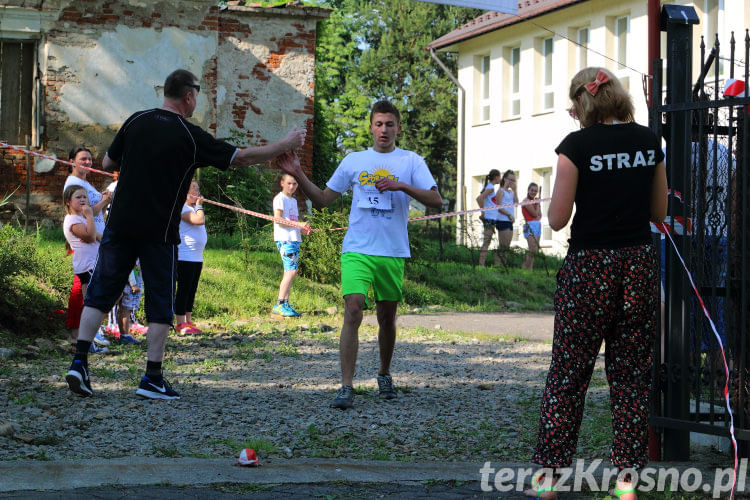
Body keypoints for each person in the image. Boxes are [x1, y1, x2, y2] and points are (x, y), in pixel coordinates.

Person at [65, 68, 306, 400]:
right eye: (198, 94)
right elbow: (242, 157)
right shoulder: (189, 136)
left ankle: (79, 362)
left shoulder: (136, 121)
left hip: (120, 222)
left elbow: (107, 162)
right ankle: (151, 378)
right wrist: (285, 144)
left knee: (101, 292)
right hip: (159, 229)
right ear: (189, 95)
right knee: (161, 300)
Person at [524, 68, 667, 500]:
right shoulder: (649, 142)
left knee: (569, 371)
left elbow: (556, 218)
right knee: (630, 374)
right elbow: (659, 211)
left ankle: (549, 477)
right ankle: (627, 479)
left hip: (589, 267)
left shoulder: (575, 146)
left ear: (582, 103)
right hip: (638, 265)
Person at [277, 100, 442, 409]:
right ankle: (346, 386)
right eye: (378, 124)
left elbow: (436, 200)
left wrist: (400, 186)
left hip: (391, 251)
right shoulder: (354, 160)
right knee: (353, 309)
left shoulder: (411, 161)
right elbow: (324, 199)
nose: (384, 130)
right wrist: (298, 173)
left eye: (389, 124)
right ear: (370, 127)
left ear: (398, 128)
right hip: (357, 248)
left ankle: (383, 373)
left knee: (386, 317)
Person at [63, 147, 112, 348]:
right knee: (87, 295)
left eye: (90, 159)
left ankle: (89, 332)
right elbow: (87, 212)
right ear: (71, 161)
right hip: (88, 252)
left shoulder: (83, 182)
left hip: (95, 248)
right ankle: (84, 335)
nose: (88, 162)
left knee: (93, 293)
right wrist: (105, 200)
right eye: (83, 159)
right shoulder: (73, 183)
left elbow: (90, 211)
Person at [62, 185, 107, 354]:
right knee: (91, 304)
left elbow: (97, 237)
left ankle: (85, 339)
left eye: (84, 197)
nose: (82, 200)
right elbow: (89, 237)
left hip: (93, 264)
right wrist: (89, 215)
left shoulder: (81, 218)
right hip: (86, 267)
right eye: (78, 197)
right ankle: (83, 343)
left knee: (98, 301)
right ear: (68, 201)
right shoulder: (72, 220)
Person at [271, 173, 310, 317]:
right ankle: (280, 304)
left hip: (294, 239)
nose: (292, 186)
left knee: (291, 271)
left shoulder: (293, 201)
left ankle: (285, 303)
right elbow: (278, 220)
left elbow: (291, 221)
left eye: (294, 184)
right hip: (285, 239)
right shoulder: (279, 199)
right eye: (289, 183)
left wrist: (301, 228)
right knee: (290, 271)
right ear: (282, 183)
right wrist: (298, 224)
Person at [175, 179, 207, 334]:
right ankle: (180, 323)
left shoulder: (194, 208)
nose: (197, 191)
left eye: (198, 188)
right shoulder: (183, 208)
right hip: (185, 256)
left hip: (197, 257)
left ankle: (188, 320)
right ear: (185, 192)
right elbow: (199, 221)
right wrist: (200, 206)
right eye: (194, 188)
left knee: (191, 290)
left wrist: (198, 206)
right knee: (183, 289)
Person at [476, 169, 502, 267]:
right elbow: (479, 198)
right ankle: (481, 265)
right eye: (499, 176)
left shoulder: (491, 187)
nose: (500, 179)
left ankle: (482, 264)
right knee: (486, 242)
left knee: (487, 241)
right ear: (496, 177)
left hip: (492, 217)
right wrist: (483, 212)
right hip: (489, 218)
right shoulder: (490, 188)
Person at [494, 170, 518, 266]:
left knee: (506, 246)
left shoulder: (511, 192)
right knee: (503, 246)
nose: (512, 182)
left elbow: (516, 203)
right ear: (505, 179)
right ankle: (497, 265)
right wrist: (509, 214)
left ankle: (504, 266)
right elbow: (498, 207)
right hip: (502, 220)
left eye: (514, 180)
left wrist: (515, 190)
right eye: (510, 179)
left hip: (509, 221)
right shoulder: (500, 191)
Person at [521, 182, 542, 270]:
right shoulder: (526, 201)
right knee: (531, 249)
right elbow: (534, 214)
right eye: (532, 190)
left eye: (535, 191)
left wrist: (538, 204)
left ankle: (530, 269)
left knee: (535, 250)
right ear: (528, 190)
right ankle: (524, 268)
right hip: (529, 225)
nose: (533, 192)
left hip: (537, 225)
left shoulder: (535, 202)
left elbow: (540, 216)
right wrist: (537, 204)